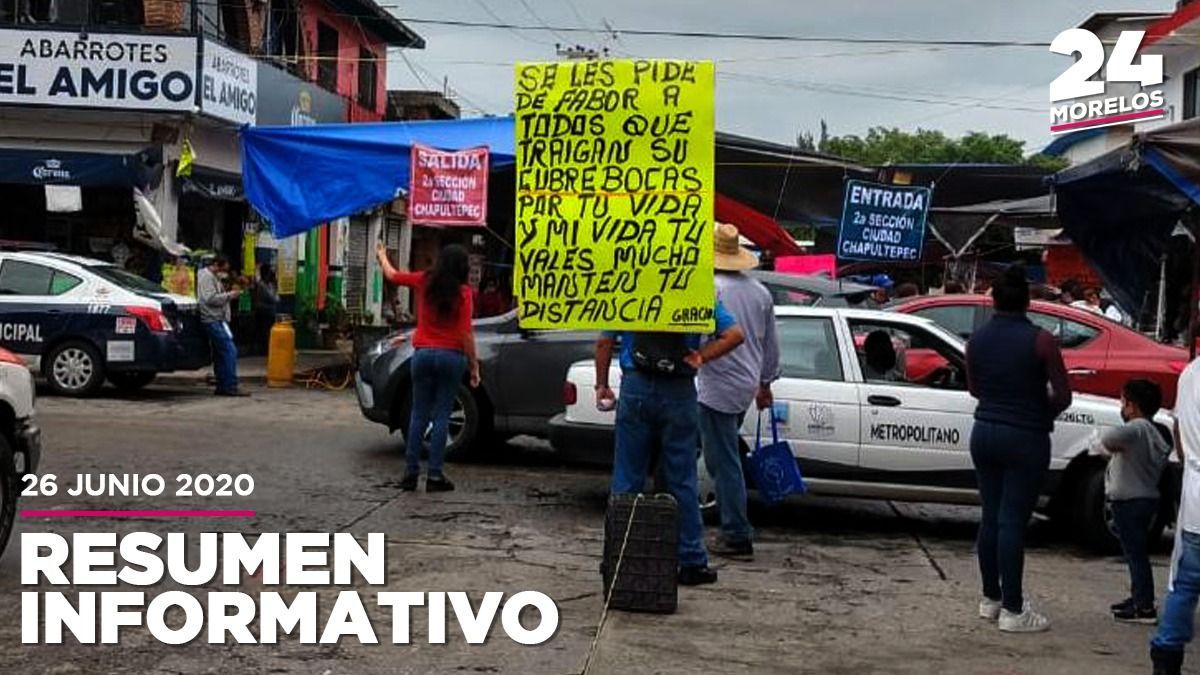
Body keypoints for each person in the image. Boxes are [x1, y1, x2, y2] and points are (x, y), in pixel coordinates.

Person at [595, 294, 744, 586]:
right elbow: (735, 335)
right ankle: (691, 560)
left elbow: (604, 342)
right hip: (679, 391)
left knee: (627, 478)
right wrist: (702, 356)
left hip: (636, 387)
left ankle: (616, 557)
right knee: (682, 479)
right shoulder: (695, 291)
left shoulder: (631, 290)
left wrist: (602, 384)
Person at [965, 264, 1071, 633]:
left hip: (984, 431)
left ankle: (990, 599)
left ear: (993, 299)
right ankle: (1013, 609)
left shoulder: (976, 341)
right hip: (1025, 435)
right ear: (1028, 301)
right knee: (1012, 520)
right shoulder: (1041, 340)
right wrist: (1039, 407)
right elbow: (1063, 395)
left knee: (990, 516)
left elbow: (974, 389)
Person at [696, 224, 780, 560]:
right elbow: (770, 344)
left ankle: (736, 534)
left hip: (716, 383)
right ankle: (734, 527)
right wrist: (765, 383)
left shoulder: (710, 289)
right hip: (745, 384)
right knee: (723, 457)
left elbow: (703, 339)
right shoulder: (760, 292)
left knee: (723, 462)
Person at [377, 242, 480, 493]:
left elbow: (392, 275)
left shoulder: (425, 281)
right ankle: (435, 475)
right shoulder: (464, 293)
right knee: (442, 414)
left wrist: (381, 255)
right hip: (451, 357)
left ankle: (410, 474)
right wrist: (474, 366)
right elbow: (466, 334)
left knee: (418, 414)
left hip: (422, 355)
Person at [1098, 379, 1171, 624]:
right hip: (1145, 498)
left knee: (1135, 554)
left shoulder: (1136, 429)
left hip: (1129, 501)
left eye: (1123, 402)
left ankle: (1144, 605)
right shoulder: (1154, 430)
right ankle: (1139, 596)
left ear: (1132, 405)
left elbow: (1108, 438)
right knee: (1136, 553)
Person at [1150, 357, 1200, 675]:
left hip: (1196, 495)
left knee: (1186, 583)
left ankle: (1166, 656)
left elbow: (1180, 441)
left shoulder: (1191, 373)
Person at [196, 255, 247, 397]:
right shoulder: (206, 277)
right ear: (216, 265)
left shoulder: (214, 278)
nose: (225, 273)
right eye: (223, 269)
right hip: (212, 320)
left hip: (219, 320)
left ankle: (223, 385)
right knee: (229, 351)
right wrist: (230, 295)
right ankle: (230, 385)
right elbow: (209, 299)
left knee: (221, 353)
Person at [254, 263, 280, 356]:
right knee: (265, 331)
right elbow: (273, 298)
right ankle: (265, 350)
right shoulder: (262, 285)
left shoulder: (270, 284)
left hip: (270, 311)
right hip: (265, 311)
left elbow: (276, 298)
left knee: (268, 331)